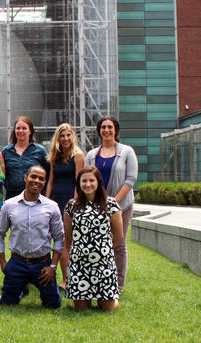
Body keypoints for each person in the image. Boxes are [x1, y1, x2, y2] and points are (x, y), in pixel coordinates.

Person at [0, 165, 63, 308]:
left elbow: (59, 238)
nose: (36, 181)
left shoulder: (52, 207)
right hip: (17, 263)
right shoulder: (9, 205)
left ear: (44, 183)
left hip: (43, 265)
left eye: (41, 179)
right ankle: (19, 286)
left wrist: (53, 266)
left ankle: (24, 286)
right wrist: (3, 263)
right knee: (7, 303)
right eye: (33, 177)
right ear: (26, 178)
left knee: (53, 304)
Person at [84, 116, 137, 292]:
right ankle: (98, 279)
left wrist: (113, 202)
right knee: (97, 243)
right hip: (96, 207)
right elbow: (86, 179)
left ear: (116, 130)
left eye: (110, 127)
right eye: (103, 127)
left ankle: (118, 285)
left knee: (118, 244)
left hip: (121, 206)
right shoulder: (92, 155)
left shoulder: (127, 151)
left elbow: (130, 180)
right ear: (99, 131)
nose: (106, 130)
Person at [63, 166, 123, 312]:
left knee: (107, 308)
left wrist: (104, 249)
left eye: (91, 180)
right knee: (81, 309)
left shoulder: (111, 204)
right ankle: (86, 297)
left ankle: (111, 299)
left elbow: (119, 234)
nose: (88, 184)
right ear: (79, 184)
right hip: (80, 263)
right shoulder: (72, 205)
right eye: (84, 181)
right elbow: (68, 236)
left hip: (103, 263)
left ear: (98, 182)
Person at [45, 123, 84, 290]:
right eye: (62, 136)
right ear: (58, 138)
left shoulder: (78, 156)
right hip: (55, 200)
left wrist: (74, 204)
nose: (66, 139)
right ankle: (64, 280)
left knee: (69, 242)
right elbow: (51, 181)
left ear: (73, 137)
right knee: (58, 242)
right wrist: (45, 203)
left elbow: (79, 182)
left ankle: (71, 279)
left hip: (70, 201)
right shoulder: (55, 156)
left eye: (69, 135)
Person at [2, 116, 49, 200]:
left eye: (24, 128)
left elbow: (48, 173)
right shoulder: (6, 151)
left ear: (30, 131)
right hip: (12, 197)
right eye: (18, 128)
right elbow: (2, 175)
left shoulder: (40, 150)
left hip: (35, 197)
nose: (20, 131)